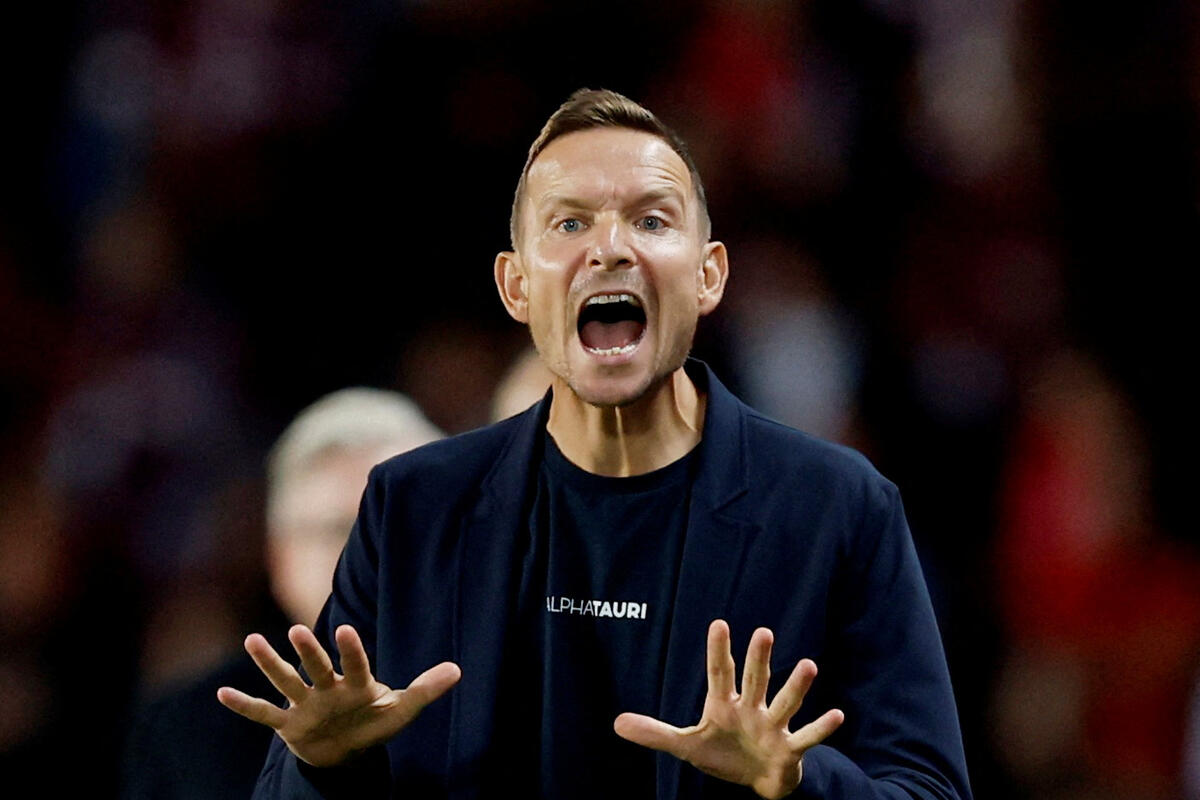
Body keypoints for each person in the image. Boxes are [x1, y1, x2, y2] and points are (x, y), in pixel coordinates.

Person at [218, 88, 973, 799]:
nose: (610, 248)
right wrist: (324, 766)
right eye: (570, 224)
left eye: (652, 221)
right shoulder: (412, 507)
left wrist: (800, 783)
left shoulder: (837, 507)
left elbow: (930, 787)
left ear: (708, 276)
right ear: (516, 287)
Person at [123, 388, 443, 799]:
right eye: (337, 530)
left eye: (397, 524)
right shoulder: (189, 729)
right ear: (279, 557)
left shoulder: (513, 685)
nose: (372, 555)